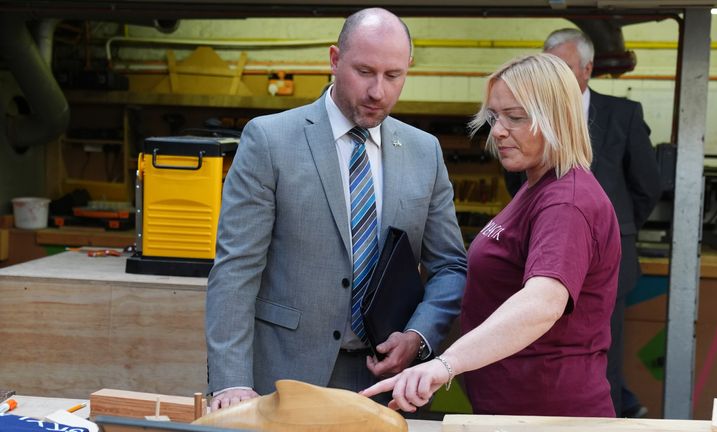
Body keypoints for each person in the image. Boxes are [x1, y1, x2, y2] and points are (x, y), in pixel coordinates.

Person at [205, 8, 467, 410]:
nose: (378, 91)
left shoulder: (424, 152)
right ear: (333, 59)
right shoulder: (269, 141)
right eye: (364, 72)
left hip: (386, 383)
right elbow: (236, 268)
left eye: (393, 76)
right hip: (284, 377)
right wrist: (230, 382)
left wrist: (418, 336)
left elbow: (450, 267)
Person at [363, 53, 621, 417]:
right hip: (515, 409)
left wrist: (445, 364)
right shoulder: (537, 187)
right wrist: (418, 341)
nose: (498, 130)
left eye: (515, 117)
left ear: (557, 118)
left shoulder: (567, 202)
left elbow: (543, 302)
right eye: (495, 117)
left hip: (548, 414)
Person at [504, 28, 662, 417]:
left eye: (563, 67)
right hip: (546, 257)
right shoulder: (526, 119)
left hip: (610, 260)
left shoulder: (623, 114)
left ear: (587, 69)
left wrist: (610, 234)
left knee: (598, 351)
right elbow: (517, 180)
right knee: (543, 345)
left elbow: (647, 185)